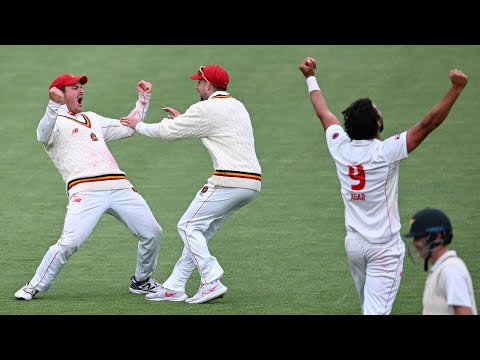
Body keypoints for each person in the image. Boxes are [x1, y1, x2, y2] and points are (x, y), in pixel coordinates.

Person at [298, 57, 468, 315]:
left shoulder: (339, 146)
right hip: (383, 249)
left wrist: (310, 76)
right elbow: (428, 124)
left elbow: (323, 112)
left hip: (354, 246)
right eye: (378, 111)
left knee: (370, 308)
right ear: (377, 124)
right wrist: (455, 88)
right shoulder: (387, 152)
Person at [120, 64, 262, 304]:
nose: (196, 86)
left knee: (187, 226)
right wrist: (183, 121)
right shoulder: (237, 105)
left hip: (229, 180)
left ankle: (211, 279)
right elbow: (212, 129)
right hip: (250, 184)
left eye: (199, 82)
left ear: (208, 85)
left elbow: (168, 133)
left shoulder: (206, 108)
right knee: (200, 232)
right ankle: (175, 285)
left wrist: (138, 126)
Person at [14, 73, 163, 301]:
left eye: (80, 87)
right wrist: (53, 105)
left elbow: (128, 128)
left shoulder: (92, 118)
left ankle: (142, 281)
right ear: (60, 93)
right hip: (85, 191)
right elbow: (42, 134)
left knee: (152, 232)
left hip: (120, 187)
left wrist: (144, 99)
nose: (80, 90)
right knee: (69, 243)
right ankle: (34, 285)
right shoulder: (54, 123)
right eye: (74, 87)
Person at [404, 208, 477, 315]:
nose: (415, 243)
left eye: (419, 237)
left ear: (438, 236)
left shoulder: (450, 270)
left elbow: (464, 312)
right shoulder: (441, 269)